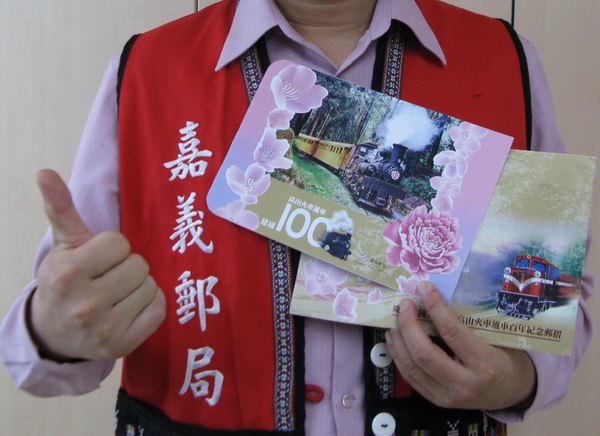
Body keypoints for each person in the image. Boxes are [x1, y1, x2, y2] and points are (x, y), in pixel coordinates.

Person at [0, 0, 593, 435]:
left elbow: (553, 297)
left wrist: (518, 378)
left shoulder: (505, 57)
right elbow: (61, 331)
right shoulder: (145, 68)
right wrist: (53, 330)